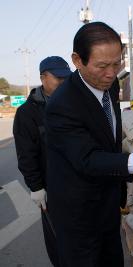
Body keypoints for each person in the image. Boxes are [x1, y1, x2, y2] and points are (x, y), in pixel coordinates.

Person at [45, 22, 133, 267]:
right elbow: (87, 158)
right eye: (102, 66)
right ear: (77, 60)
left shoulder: (110, 83)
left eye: (117, 64)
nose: (111, 73)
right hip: (78, 211)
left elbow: (108, 133)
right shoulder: (62, 106)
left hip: (107, 201)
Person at [13, 56, 72, 267]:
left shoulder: (72, 106)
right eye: (58, 78)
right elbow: (26, 155)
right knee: (58, 241)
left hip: (78, 186)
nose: (63, 83)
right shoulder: (27, 113)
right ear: (43, 77)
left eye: (66, 78)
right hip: (51, 190)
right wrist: (36, 187)